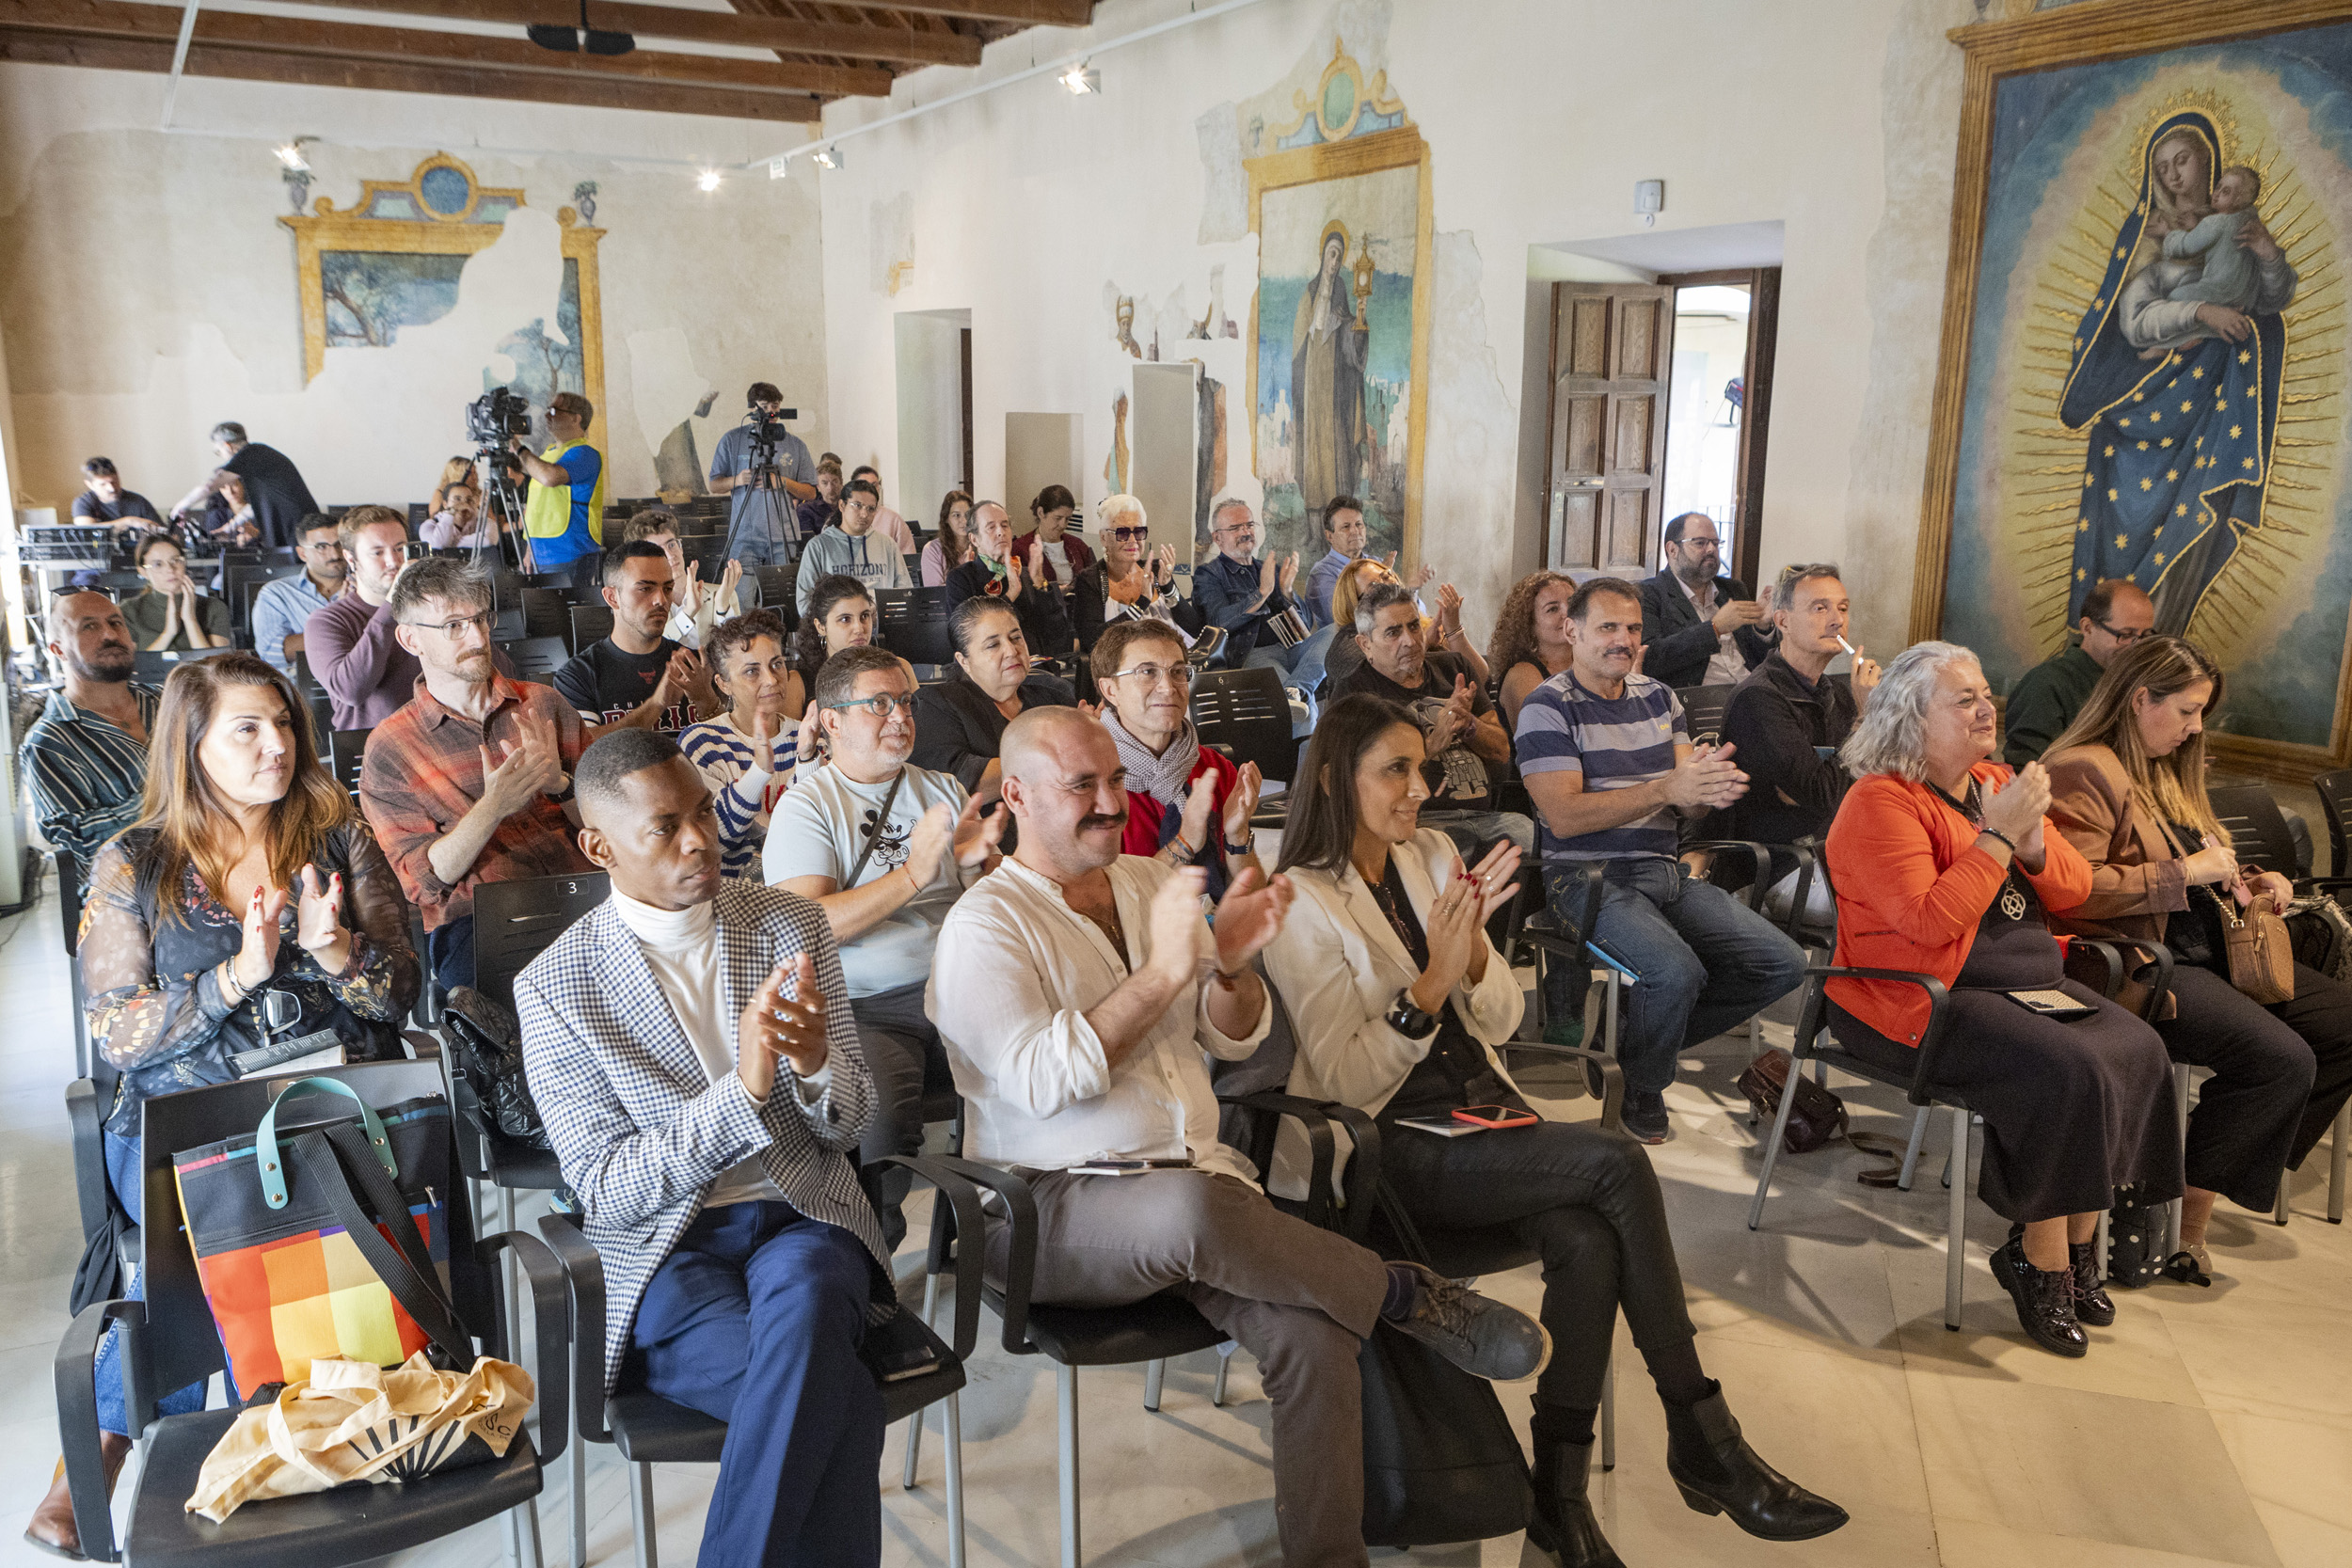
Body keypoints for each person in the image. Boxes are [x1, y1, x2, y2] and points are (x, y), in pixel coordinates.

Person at [927, 705, 1549, 1568]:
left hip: (1199, 1186)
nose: (1112, 800)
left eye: (1116, 779)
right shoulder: (984, 926)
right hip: (1045, 1206)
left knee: (1314, 1334)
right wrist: (1165, 973)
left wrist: (1230, 970)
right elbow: (1041, 1081)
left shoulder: (1150, 883)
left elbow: (1233, 1037)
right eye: (1084, 786)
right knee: (1190, 1208)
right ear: (1020, 796)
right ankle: (1400, 1292)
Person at [1267, 694, 1848, 1563]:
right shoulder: (1298, 900)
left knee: (1586, 1237)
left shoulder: (1428, 855)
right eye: (1396, 770)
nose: (1421, 788)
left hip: (1478, 1115)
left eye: (1421, 767)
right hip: (1387, 1150)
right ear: (1333, 780)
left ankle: (1559, 1504)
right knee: (1616, 1166)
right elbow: (1346, 1083)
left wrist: (1469, 959)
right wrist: (1427, 989)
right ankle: (1703, 1432)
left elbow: (1500, 1017)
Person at [24, 652, 417, 1558]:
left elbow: (399, 994)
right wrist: (239, 974)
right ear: (191, 744)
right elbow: (119, 1034)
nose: (275, 745)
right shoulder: (139, 859)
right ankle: (123, 1446)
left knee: (272, 1192)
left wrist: (334, 955)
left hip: (319, 1104)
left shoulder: (336, 835)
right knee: (204, 1210)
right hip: (183, 1117)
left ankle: (287, 1430)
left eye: (283, 724)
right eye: (247, 728)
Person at [514, 728, 890, 1568]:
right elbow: (608, 1191)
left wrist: (817, 1061)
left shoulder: (789, 923)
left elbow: (849, 1124)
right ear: (599, 846)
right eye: (664, 827)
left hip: (800, 1215)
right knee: (842, 1396)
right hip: (668, 1247)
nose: (698, 841)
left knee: (815, 1292)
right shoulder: (557, 984)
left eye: (703, 815)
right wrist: (746, 1088)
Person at [1826, 641, 2183, 1356]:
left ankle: (2083, 1249)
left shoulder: (1992, 778)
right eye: (1964, 699)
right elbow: (1928, 922)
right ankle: (2038, 1260)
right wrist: (1995, 836)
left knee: (2138, 1047)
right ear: (1911, 718)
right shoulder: (1879, 801)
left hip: (2024, 982)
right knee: (2069, 1068)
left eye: (1987, 691)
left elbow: (2075, 889)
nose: (1987, 706)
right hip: (1921, 995)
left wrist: (2031, 840)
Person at [2043, 637, 2352, 1275]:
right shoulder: (2085, 767)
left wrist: (2256, 881)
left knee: (2343, 1024)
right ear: (2138, 700)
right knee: (2280, 1059)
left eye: (2201, 710)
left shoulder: (2167, 767)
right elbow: (2076, 889)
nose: (2197, 726)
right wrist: (2182, 872)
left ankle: (2187, 1173)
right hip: (2146, 961)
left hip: (2216, 945)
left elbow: (2203, 860)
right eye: (2187, 710)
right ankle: (2184, 1218)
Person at [1515, 576, 1807, 1144]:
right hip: (1586, 879)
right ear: (1571, 631)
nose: (1623, 640)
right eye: (1607, 628)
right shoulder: (1546, 708)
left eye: (1632, 628)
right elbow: (1565, 817)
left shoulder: (1658, 697)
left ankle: (1630, 1047)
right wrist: (1669, 788)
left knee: (1783, 962)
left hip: (1662, 871)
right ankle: (1642, 1089)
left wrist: (1708, 787)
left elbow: (1683, 794)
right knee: (1677, 973)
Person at [766, 646, 1005, 1247]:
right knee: (878, 1126)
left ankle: (1009, 1238)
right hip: (868, 1004)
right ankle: (870, 1261)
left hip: (962, 990)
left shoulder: (942, 789)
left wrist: (985, 869)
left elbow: (988, 901)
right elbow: (806, 923)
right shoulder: (809, 807)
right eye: (879, 704)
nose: (900, 716)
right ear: (830, 721)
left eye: (906, 701)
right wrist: (911, 876)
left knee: (1043, 1080)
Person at [358, 559, 593, 994]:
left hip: (583, 892)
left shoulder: (544, 704)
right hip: (483, 922)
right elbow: (424, 884)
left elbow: (611, 824)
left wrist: (560, 787)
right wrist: (492, 807)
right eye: (452, 626)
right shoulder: (391, 748)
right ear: (411, 639)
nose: (478, 637)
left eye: (481, 619)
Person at [1705, 564, 1883, 916]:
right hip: (1781, 867)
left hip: (1834, 851)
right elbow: (1825, 794)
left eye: (1843, 609)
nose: (1837, 621)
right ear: (1783, 621)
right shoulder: (1759, 699)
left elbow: (1870, 783)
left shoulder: (1838, 694)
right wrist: (1865, 721)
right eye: (1820, 608)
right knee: (1903, 906)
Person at [1340, 581, 1533, 857]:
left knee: (1542, 847)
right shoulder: (1355, 693)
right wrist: (1433, 742)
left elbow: (1502, 753)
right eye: (1393, 632)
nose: (1410, 640)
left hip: (1488, 819)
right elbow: (1359, 784)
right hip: (1418, 825)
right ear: (1365, 644)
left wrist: (1468, 725)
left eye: (1414, 626)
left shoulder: (1454, 668)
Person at [1091, 620, 1262, 898]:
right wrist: (1184, 844)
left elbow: (1251, 899)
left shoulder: (1215, 769)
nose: (1168, 688)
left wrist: (1238, 836)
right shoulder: (1091, 784)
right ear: (1111, 690)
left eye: (1178, 672)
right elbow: (1107, 903)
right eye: (1147, 672)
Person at [23, 593, 157, 895]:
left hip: (217, 858)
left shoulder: (168, 701)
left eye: (115, 623)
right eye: (89, 627)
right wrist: (172, 795)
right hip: (133, 892)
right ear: (58, 649)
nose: (110, 634)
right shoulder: (48, 744)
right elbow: (85, 845)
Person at [680, 610, 803, 880]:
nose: (771, 680)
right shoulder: (701, 742)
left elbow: (822, 829)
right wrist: (758, 772)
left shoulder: (804, 738)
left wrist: (807, 760)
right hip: (735, 896)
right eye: (751, 671)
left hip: (805, 884)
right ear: (724, 684)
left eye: (777, 664)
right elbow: (715, 839)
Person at [911, 597, 1073, 795]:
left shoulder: (1055, 698)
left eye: (1016, 638)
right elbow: (965, 783)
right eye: (993, 645)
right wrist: (1063, 757)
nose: (1012, 651)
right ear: (964, 661)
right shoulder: (936, 704)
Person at [306, 506, 446, 731]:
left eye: (400, 549)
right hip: (373, 750)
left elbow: (493, 669)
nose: (393, 561)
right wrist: (392, 604)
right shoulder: (326, 622)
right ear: (351, 559)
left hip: (441, 736)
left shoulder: (431, 608)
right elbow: (351, 690)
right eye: (377, 552)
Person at [554, 541, 714, 736]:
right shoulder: (578, 675)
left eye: (667, 589)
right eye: (646, 589)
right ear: (612, 597)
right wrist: (656, 705)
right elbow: (583, 751)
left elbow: (733, 745)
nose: (661, 600)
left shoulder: (693, 664)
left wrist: (708, 702)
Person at [2002, 578, 2155, 768]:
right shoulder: (2046, 684)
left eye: (2146, 636)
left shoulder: (2139, 684)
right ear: (2087, 627)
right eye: (2125, 635)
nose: (2137, 647)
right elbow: (2026, 770)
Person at [1195, 498, 1333, 693]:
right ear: (1217, 538)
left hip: (1293, 648)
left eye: (1249, 525)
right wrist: (1262, 594)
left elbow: (1306, 625)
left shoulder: (1269, 569)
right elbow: (1218, 622)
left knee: (1337, 631)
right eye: (1235, 528)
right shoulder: (1209, 574)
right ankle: (1297, 693)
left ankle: (1297, 689)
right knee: (1305, 711)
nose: (1245, 532)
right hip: (1255, 654)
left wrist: (1288, 592)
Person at [1637, 513, 1771, 692]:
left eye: (1715, 543)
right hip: (1698, 702)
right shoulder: (1648, 593)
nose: (1711, 550)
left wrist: (1761, 627)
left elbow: (1760, 660)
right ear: (1672, 550)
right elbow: (1650, 658)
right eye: (1700, 543)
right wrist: (1714, 628)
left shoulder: (1733, 590)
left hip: (1752, 693)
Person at [944, 500, 1073, 658]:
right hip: (989, 670)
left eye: (1005, 526)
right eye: (991, 527)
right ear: (974, 539)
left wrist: (1040, 583)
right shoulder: (961, 578)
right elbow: (967, 637)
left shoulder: (1026, 574)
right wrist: (1010, 595)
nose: (1001, 532)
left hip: (1036, 667)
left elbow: (1058, 636)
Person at [712, 383, 818, 568]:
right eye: (764, 406)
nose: (771, 412)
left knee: (781, 595)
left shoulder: (796, 445)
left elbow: (811, 493)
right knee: (743, 595)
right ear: (752, 408)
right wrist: (737, 480)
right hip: (745, 536)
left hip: (783, 536)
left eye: (775, 406)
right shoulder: (732, 440)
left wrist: (783, 482)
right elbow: (714, 485)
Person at [619, 506, 754, 651]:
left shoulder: (721, 594)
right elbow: (651, 647)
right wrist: (688, 612)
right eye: (659, 550)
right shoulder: (641, 604)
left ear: (681, 547)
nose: (670, 555)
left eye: (672, 545)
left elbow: (738, 651)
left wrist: (722, 609)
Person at [167, 421, 318, 549]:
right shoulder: (259, 458)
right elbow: (256, 506)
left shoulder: (251, 454)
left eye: (218, 451)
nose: (221, 457)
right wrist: (229, 527)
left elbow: (209, 486)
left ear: (227, 446)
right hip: (299, 530)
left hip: (300, 532)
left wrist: (181, 505)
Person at [512, 391, 606, 584]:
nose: (547, 415)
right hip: (540, 553)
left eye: (554, 410)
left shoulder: (586, 454)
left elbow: (549, 477)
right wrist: (529, 549)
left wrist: (518, 447)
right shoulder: (548, 453)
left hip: (569, 553)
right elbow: (537, 505)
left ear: (576, 418)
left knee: (564, 612)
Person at [1071, 493, 1184, 654]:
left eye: (1138, 532)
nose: (1132, 540)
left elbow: (1194, 628)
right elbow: (1092, 641)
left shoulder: (1157, 570)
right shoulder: (1091, 580)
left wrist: (1169, 586)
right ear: (1103, 538)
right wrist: (1140, 604)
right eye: (1122, 533)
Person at [1302, 494, 1430, 629]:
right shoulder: (1321, 574)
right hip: (1347, 646)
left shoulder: (1377, 563)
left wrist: (1411, 590)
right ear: (1329, 535)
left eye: (1359, 524)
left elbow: (1417, 613)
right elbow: (1346, 620)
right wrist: (1381, 585)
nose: (1355, 531)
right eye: (1346, 527)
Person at [796, 479, 913, 612]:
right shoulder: (818, 547)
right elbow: (804, 602)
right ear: (842, 505)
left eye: (871, 509)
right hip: (838, 627)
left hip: (883, 625)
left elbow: (905, 591)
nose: (864, 514)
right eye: (857, 505)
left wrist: (886, 614)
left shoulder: (887, 545)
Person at [251, 513, 348, 673]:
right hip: (304, 688)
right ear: (302, 553)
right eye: (321, 547)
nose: (334, 554)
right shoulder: (277, 594)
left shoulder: (365, 588)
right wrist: (341, 621)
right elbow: (271, 654)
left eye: (339, 545)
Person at [1491, 569, 1580, 733]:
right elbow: (1544, 737)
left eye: (1573, 604)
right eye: (1553, 609)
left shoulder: (1589, 663)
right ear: (1529, 624)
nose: (1567, 613)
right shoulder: (1522, 674)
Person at [120, 534, 231, 652]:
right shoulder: (128, 610)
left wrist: (191, 621)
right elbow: (132, 667)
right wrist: (168, 633)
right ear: (143, 571)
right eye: (158, 564)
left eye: (176, 560)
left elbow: (217, 666)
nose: (170, 569)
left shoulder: (214, 607)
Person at [795, 575, 880, 692]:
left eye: (864, 616)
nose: (859, 629)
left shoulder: (892, 669)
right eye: (845, 619)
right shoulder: (799, 682)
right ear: (821, 627)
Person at [1009, 484, 1093, 589]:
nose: (1063, 525)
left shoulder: (1078, 545)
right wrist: (1054, 592)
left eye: (1067, 519)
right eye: (1058, 518)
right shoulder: (1021, 549)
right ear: (1041, 513)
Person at [71, 457, 163, 534]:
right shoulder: (82, 503)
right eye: (103, 484)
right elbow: (86, 530)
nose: (111, 488)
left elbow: (160, 529)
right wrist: (129, 521)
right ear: (90, 485)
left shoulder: (139, 501)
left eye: (114, 481)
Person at [847, 466, 917, 555]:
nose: (871, 490)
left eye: (874, 485)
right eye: (864, 486)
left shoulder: (893, 519)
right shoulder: (843, 517)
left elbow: (909, 555)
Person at [918, 490, 977, 588]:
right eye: (956, 515)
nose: (964, 521)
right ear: (946, 518)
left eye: (967, 515)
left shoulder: (982, 545)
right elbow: (937, 593)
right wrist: (967, 570)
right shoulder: (932, 550)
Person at [421, 480, 500, 551]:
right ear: (445, 504)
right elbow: (440, 544)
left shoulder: (479, 521)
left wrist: (452, 542)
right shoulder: (429, 526)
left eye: (469, 500)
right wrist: (452, 512)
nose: (464, 504)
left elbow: (489, 540)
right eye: (457, 499)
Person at [795, 456, 846, 541]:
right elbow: (808, 543)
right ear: (818, 486)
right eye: (824, 483)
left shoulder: (850, 508)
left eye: (834, 482)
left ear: (841, 483)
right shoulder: (806, 510)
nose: (830, 488)